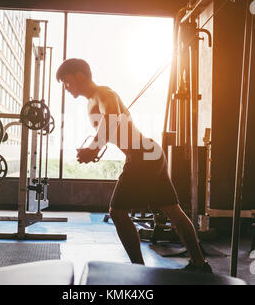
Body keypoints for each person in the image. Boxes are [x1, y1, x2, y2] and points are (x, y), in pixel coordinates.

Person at [56, 58, 212, 273]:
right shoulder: (92, 100)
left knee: (117, 212)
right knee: (172, 210)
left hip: (143, 155)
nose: (66, 87)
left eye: (66, 81)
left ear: (80, 75)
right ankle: (199, 264)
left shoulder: (103, 93)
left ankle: (138, 269)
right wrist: (94, 149)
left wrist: (93, 147)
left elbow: (111, 117)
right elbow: (111, 128)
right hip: (149, 153)